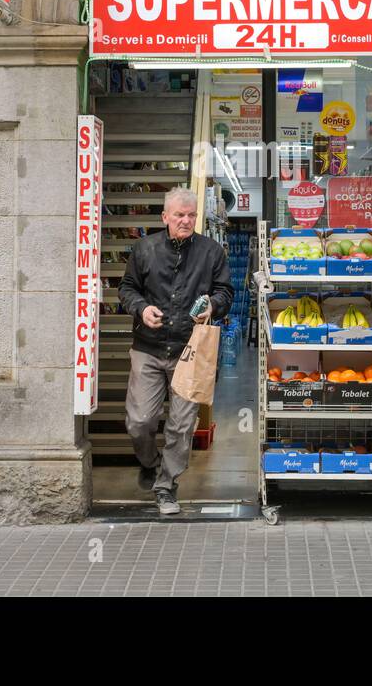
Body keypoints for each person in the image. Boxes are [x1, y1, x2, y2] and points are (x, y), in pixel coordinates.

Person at [118, 187, 233, 515]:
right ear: (164, 216)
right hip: (148, 348)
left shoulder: (211, 252)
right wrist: (141, 309)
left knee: (181, 425)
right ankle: (149, 462)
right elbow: (126, 288)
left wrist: (212, 304)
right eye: (179, 215)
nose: (186, 220)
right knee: (139, 421)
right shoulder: (144, 249)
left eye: (191, 215)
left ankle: (167, 485)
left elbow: (225, 291)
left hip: (190, 349)